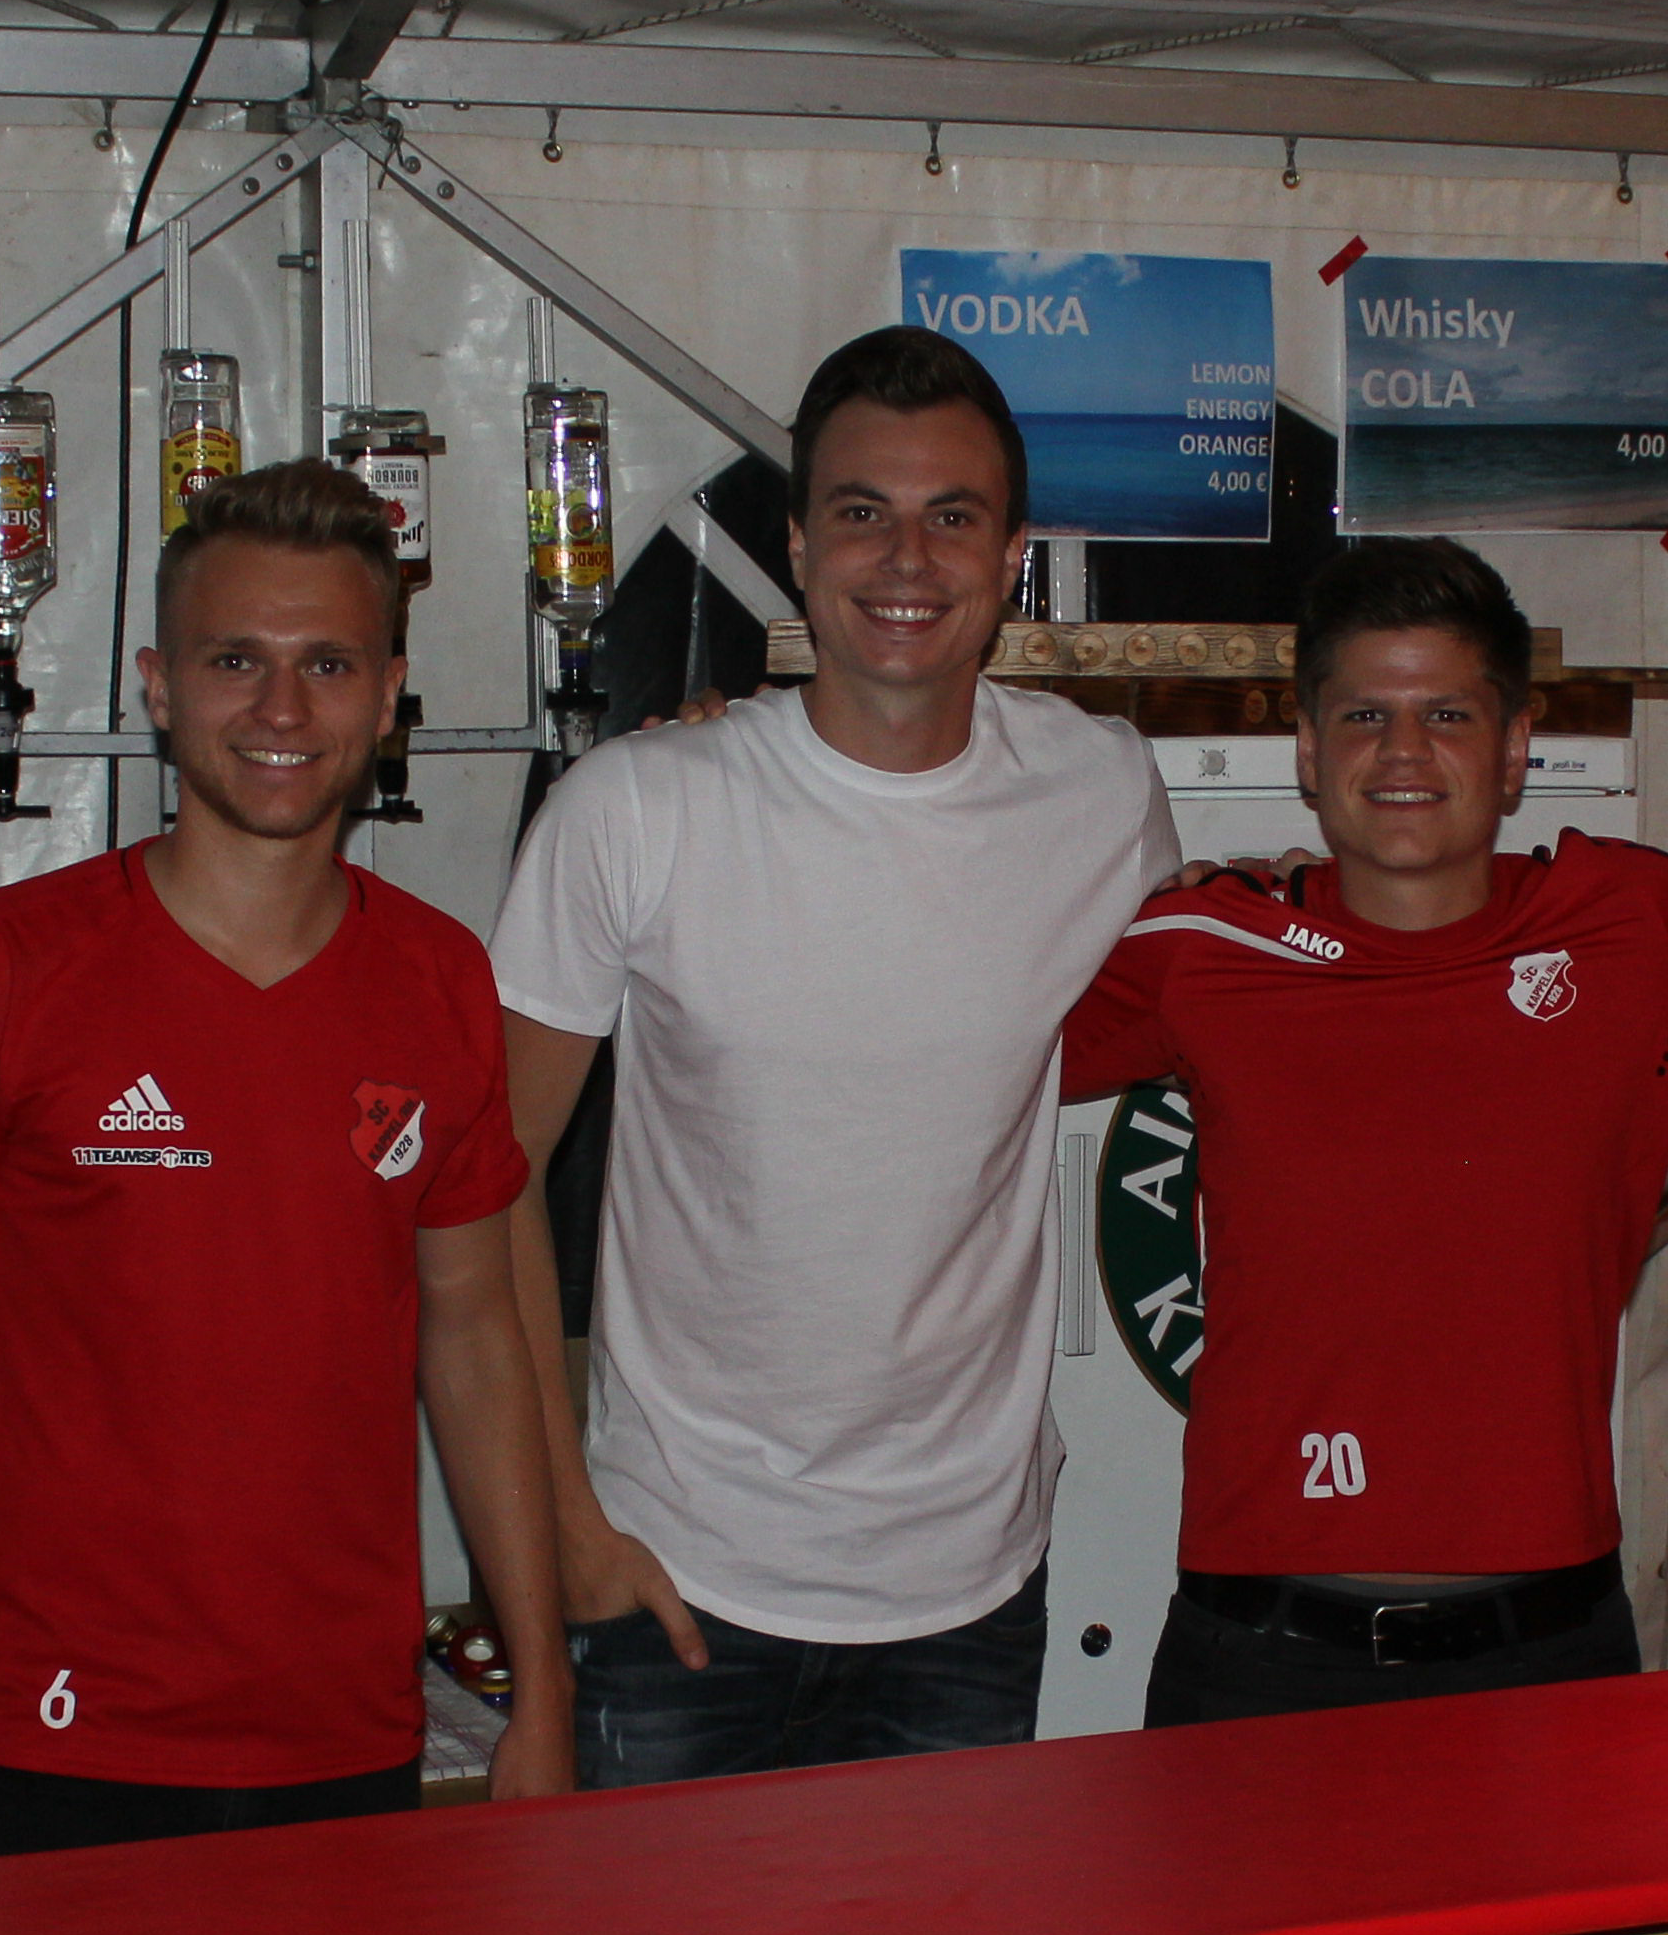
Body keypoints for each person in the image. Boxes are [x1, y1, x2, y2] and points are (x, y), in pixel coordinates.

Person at [0, 461, 573, 1865]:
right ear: (159, 688)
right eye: (236, 661)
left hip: (347, 1731)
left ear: (388, 695)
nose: (281, 710)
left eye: (327, 664)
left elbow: (476, 1339)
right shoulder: (9, 966)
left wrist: (544, 1685)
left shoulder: (438, 979)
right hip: (55, 1732)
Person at [491, 326, 1184, 1784]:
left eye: (954, 516)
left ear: (1011, 560)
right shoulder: (637, 808)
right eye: (863, 512)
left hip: (973, 1592)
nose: (907, 558)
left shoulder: (1102, 790)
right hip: (676, 1581)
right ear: (800, 549)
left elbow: (1202, 1020)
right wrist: (569, 1531)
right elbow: (486, 1183)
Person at [1058, 537, 1668, 1724]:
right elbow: (948, 1046)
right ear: (1308, 748)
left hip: (1551, 1653)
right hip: (1262, 1657)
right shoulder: (1205, 948)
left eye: (1448, 714)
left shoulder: (1622, 918)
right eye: (1365, 716)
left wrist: (1663, 1152)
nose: (1403, 752)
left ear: (1517, 745)